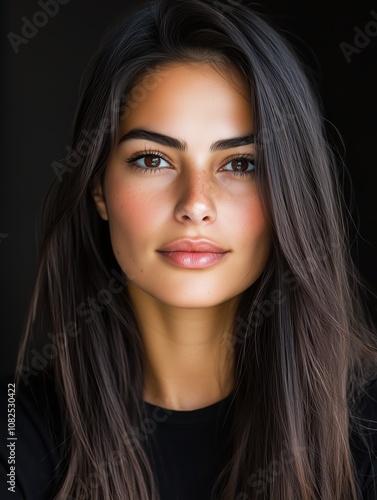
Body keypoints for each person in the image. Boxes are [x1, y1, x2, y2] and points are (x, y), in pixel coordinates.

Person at [1, 0, 377, 498]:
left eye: (241, 165)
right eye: (153, 159)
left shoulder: (367, 425)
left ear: (291, 190)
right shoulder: (14, 429)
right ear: (98, 188)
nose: (196, 204)